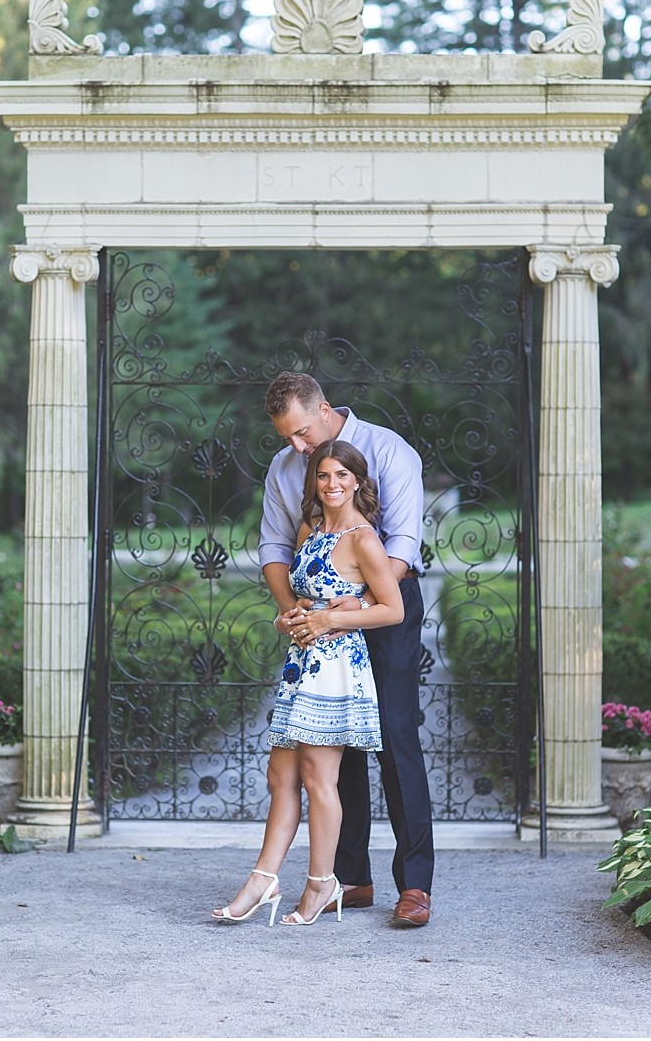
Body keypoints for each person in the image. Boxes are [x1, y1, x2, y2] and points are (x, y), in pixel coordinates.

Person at [257, 372, 434, 927]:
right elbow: (274, 544)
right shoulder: (285, 468)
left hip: (385, 609)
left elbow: (403, 543)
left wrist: (346, 611)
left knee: (395, 735)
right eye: (287, 437)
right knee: (334, 737)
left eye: (303, 433)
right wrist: (296, 610)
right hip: (317, 620)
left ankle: (415, 885)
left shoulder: (390, 451)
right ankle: (349, 877)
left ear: (326, 409)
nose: (296, 448)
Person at [213, 440, 401, 926]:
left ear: (357, 480)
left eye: (341, 475)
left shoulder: (364, 540)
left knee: (320, 780)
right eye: (323, 476)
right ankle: (263, 879)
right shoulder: (310, 529)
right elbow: (302, 600)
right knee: (282, 779)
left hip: (337, 667)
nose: (332, 484)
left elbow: (392, 609)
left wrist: (331, 623)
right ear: (313, 482)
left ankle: (322, 883)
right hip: (300, 665)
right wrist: (290, 620)